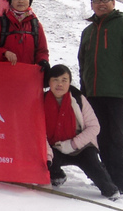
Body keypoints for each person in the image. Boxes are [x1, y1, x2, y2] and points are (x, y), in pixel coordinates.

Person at [77, 0, 123, 196]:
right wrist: (83, 92)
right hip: (93, 94)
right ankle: (107, 177)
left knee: (119, 138)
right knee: (100, 138)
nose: (101, 4)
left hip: (118, 93)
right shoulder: (88, 31)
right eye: (96, 1)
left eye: (105, 0)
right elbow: (83, 63)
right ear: (91, 5)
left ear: (113, 2)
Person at [44, 65, 118, 198]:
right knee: (43, 161)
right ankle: (57, 176)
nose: (59, 84)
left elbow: (94, 127)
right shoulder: (41, 101)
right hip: (54, 147)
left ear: (69, 82)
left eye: (64, 80)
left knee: (95, 168)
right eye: (55, 79)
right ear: (49, 82)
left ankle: (111, 192)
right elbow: (38, 133)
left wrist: (72, 144)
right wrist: (48, 154)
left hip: (81, 147)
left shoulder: (78, 99)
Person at [0, 0, 50, 78]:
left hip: (28, 78)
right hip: (2, 78)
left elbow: (42, 51)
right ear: (10, 1)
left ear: (29, 1)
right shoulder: (0, 24)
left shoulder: (36, 26)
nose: (21, 1)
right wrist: (4, 53)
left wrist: (43, 61)